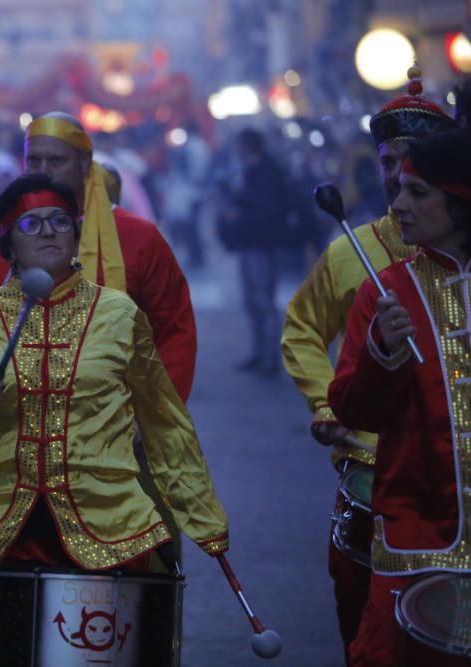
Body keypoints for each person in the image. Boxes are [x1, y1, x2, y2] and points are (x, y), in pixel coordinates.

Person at [0, 174, 229, 665]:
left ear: (76, 233)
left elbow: (166, 421)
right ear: (8, 242)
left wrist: (204, 523)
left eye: (60, 221)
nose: (48, 232)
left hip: (105, 521)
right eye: (32, 223)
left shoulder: (119, 314)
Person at [281, 72, 455, 657]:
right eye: (387, 163)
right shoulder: (354, 259)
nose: (394, 181)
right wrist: (326, 402)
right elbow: (302, 329)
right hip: (379, 477)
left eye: (412, 170)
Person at [0, 112, 197, 403]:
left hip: (110, 427)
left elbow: (174, 330)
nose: (43, 171)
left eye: (56, 161)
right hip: (7, 428)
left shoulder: (137, 237)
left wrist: (154, 414)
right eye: (34, 161)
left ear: (84, 164)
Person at [329, 128, 471, 666]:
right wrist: (381, 349)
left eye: (419, 193)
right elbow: (352, 408)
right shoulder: (384, 289)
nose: (399, 204)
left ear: (459, 200)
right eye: (400, 189)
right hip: (416, 532)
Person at [217, 128, 290, 377]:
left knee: (264, 300)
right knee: (253, 301)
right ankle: (260, 353)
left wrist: (240, 214)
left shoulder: (267, 172)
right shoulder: (249, 170)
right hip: (249, 243)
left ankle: (270, 358)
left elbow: (269, 209)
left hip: (263, 243)